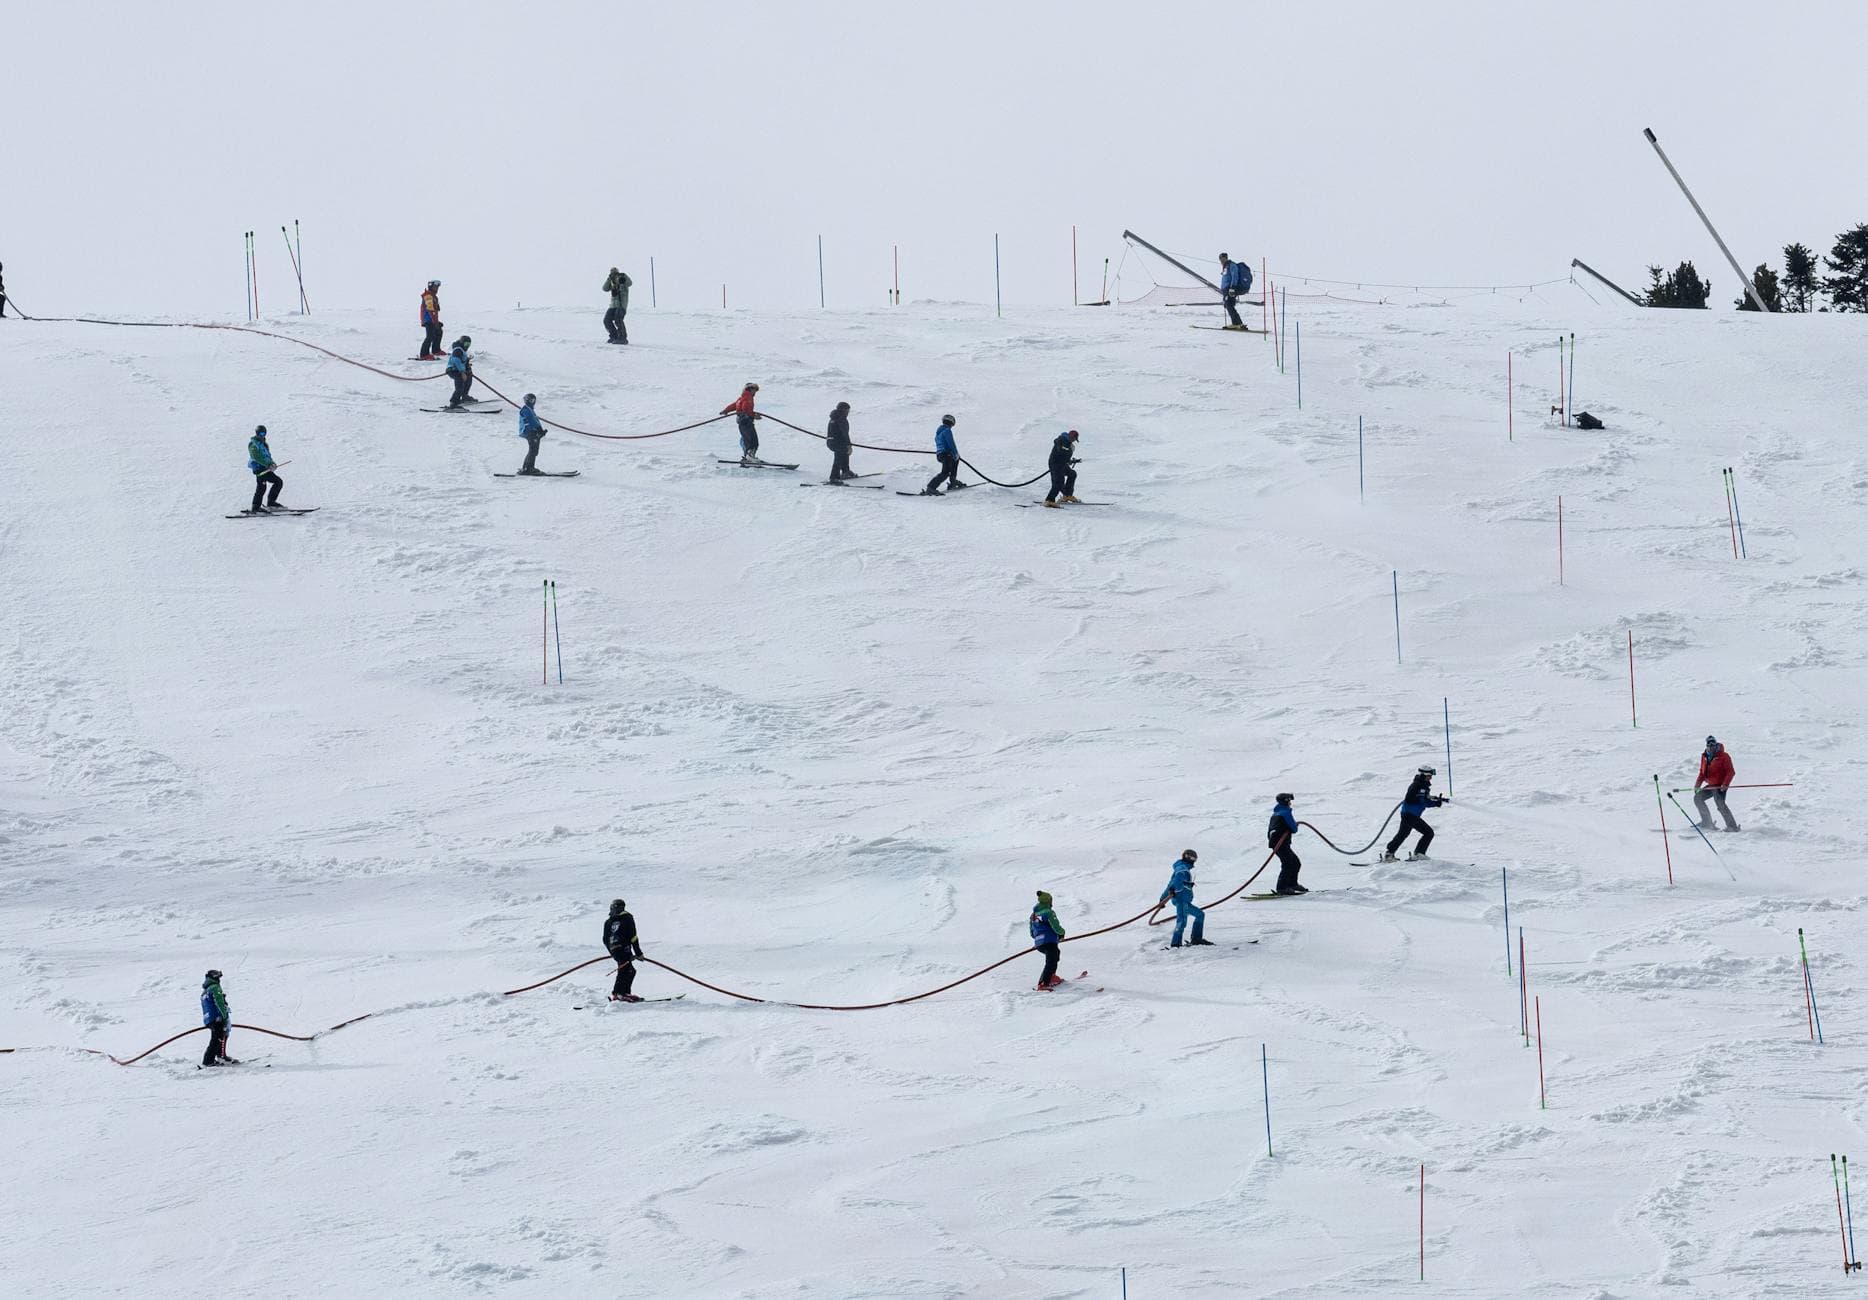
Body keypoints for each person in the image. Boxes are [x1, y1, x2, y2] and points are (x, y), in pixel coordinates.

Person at [1381, 766, 1446, 861]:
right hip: (1409, 814)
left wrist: (1435, 800)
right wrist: (1431, 801)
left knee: (1409, 833)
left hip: (1412, 814)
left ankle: (1416, 854)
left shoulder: (1422, 785)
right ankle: (1391, 854)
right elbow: (1416, 800)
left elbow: (1423, 800)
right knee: (1426, 833)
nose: (1430, 778)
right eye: (1429, 776)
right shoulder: (1418, 785)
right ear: (1423, 775)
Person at [1159, 849, 1213, 948]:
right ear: (1187, 857)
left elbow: (1170, 884)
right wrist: (1175, 890)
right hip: (1181, 900)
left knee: (1200, 914)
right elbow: (1176, 882)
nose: (1194, 861)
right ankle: (1176, 943)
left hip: (1184, 900)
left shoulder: (1182, 867)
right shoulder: (1182, 868)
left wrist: (1162, 899)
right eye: (1192, 858)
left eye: (1195, 859)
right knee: (1182, 921)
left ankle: (1196, 938)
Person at [1694, 735, 1740, 831]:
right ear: (1706, 745)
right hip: (1711, 786)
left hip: (1720, 786)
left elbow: (1731, 772)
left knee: (1720, 803)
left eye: (1713, 744)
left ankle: (1732, 827)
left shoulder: (1724, 756)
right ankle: (1707, 822)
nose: (1711, 746)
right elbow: (1702, 773)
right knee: (1698, 798)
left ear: (1716, 744)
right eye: (1709, 744)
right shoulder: (1704, 756)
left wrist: (1725, 784)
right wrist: (1697, 785)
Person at [603, 899, 645, 1002]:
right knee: (625, 970)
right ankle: (618, 994)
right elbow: (633, 936)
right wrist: (638, 953)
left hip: (615, 949)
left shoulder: (608, 922)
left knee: (629, 970)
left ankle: (624, 993)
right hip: (624, 948)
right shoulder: (627, 918)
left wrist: (612, 952)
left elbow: (605, 939)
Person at [1269, 793, 1305, 894]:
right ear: (1286, 801)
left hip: (1277, 843)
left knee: (1295, 863)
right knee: (1288, 864)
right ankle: (1282, 887)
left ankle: (1292, 884)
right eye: (1289, 801)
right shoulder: (1285, 813)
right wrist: (1294, 825)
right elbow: (1294, 829)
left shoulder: (1276, 813)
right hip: (1281, 844)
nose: (1290, 803)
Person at [200, 969, 237, 1066]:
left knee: (218, 1037)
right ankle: (209, 1060)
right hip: (217, 1018)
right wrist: (223, 1016)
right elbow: (219, 1003)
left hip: (209, 1018)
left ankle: (220, 1056)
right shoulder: (215, 988)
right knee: (217, 1038)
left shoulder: (205, 992)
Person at [923, 415, 967, 495]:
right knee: (945, 472)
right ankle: (931, 487)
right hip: (946, 454)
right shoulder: (947, 431)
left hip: (941, 455)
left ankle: (953, 482)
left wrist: (955, 456)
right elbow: (951, 443)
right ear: (951, 423)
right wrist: (955, 453)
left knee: (955, 461)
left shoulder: (938, 433)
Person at [247, 424, 285, 512]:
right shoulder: (253, 444)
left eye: (264, 433)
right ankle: (256, 507)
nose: (262, 435)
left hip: (266, 469)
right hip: (259, 469)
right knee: (261, 487)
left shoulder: (264, 444)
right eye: (260, 433)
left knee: (278, 482)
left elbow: (268, 456)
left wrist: (272, 463)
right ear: (257, 433)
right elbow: (256, 457)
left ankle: (270, 502)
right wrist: (268, 464)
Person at [720, 383, 762, 462]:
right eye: (754, 390)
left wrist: (726, 410)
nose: (755, 393)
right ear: (750, 389)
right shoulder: (748, 397)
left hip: (741, 421)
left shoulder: (741, 398)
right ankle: (750, 457)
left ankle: (747, 456)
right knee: (753, 440)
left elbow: (734, 405)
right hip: (746, 420)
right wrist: (754, 415)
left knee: (747, 439)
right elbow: (746, 409)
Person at [1042, 429, 1080, 507]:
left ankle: (1067, 495)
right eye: (1073, 438)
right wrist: (1067, 453)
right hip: (1055, 464)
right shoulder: (1061, 440)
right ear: (1069, 435)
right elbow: (1060, 451)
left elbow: (1065, 456)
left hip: (1062, 464)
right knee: (1059, 482)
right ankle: (1049, 500)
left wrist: (1071, 461)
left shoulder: (1069, 444)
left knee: (1072, 474)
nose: (1073, 440)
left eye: (1075, 439)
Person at [1218, 254, 1254, 330]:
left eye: (1222, 258)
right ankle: (1237, 323)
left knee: (1229, 305)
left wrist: (1232, 288)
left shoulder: (1231, 265)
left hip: (1230, 288)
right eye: (1220, 259)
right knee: (1229, 305)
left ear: (1226, 258)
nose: (1221, 260)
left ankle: (1237, 323)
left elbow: (1235, 275)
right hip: (1226, 289)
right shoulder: (1225, 267)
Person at [826, 402, 856, 481]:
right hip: (838, 442)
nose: (848, 412)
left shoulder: (834, 417)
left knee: (844, 453)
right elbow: (844, 433)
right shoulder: (841, 418)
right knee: (839, 457)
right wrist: (849, 445)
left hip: (831, 441)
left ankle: (845, 471)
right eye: (847, 410)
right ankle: (834, 477)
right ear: (843, 410)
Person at [517, 393, 546, 474]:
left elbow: (535, 421)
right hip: (529, 431)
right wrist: (537, 429)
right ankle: (528, 468)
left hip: (532, 431)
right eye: (529, 400)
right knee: (533, 450)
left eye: (533, 400)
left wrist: (540, 431)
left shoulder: (530, 410)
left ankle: (528, 467)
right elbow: (530, 421)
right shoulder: (526, 409)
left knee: (534, 450)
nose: (531, 402)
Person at [602, 267, 632, 344]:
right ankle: (614, 336)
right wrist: (609, 279)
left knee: (618, 319)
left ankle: (622, 338)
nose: (614, 275)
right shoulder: (611, 281)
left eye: (615, 273)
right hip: (612, 305)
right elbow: (604, 288)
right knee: (606, 320)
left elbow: (630, 283)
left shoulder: (623, 278)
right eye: (612, 273)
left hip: (621, 305)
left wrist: (623, 277)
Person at [419, 280, 444, 359]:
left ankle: (436, 350)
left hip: (432, 319)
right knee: (430, 336)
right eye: (435, 287)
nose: (436, 289)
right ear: (431, 287)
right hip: (428, 320)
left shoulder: (433, 296)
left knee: (439, 332)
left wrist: (437, 322)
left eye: (437, 287)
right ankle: (424, 354)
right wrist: (434, 322)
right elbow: (431, 309)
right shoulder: (428, 296)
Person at [445, 342, 473, 408]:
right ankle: (454, 403)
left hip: (458, 370)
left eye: (469, 344)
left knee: (468, 380)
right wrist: (462, 372)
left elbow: (462, 361)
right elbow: (456, 360)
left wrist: (467, 368)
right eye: (466, 344)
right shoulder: (458, 350)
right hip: (454, 370)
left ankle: (464, 396)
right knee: (459, 386)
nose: (467, 346)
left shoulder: (462, 350)